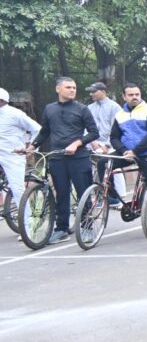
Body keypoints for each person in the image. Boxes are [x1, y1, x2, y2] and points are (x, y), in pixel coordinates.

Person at [27, 77, 98, 243]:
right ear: (58, 89)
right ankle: (61, 229)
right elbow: (45, 132)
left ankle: (87, 227)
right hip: (57, 158)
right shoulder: (49, 109)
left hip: (79, 158)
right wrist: (32, 146)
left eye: (74, 87)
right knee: (61, 194)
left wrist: (77, 143)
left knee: (83, 193)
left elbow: (94, 133)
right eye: (68, 87)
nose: (72, 90)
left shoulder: (82, 109)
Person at [110, 83, 147, 230]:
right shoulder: (120, 115)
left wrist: (135, 151)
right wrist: (124, 151)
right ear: (124, 96)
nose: (134, 97)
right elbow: (114, 137)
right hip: (127, 153)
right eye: (131, 95)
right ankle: (109, 195)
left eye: (137, 94)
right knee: (103, 163)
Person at [85, 82, 125, 205]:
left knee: (112, 166)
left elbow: (117, 128)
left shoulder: (114, 107)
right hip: (92, 142)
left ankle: (119, 197)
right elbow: (85, 127)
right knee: (92, 168)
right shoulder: (89, 108)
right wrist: (92, 141)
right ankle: (99, 196)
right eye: (90, 92)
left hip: (110, 143)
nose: (91, 94)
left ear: (103, 91)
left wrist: (107, 144)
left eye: (94, 91)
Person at [0, 88, 40, 206]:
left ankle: (26, 218)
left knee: (18, 189)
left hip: (12, 156)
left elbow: (37, 129)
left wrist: (31, 149)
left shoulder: (16, 114)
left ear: (1, 100)